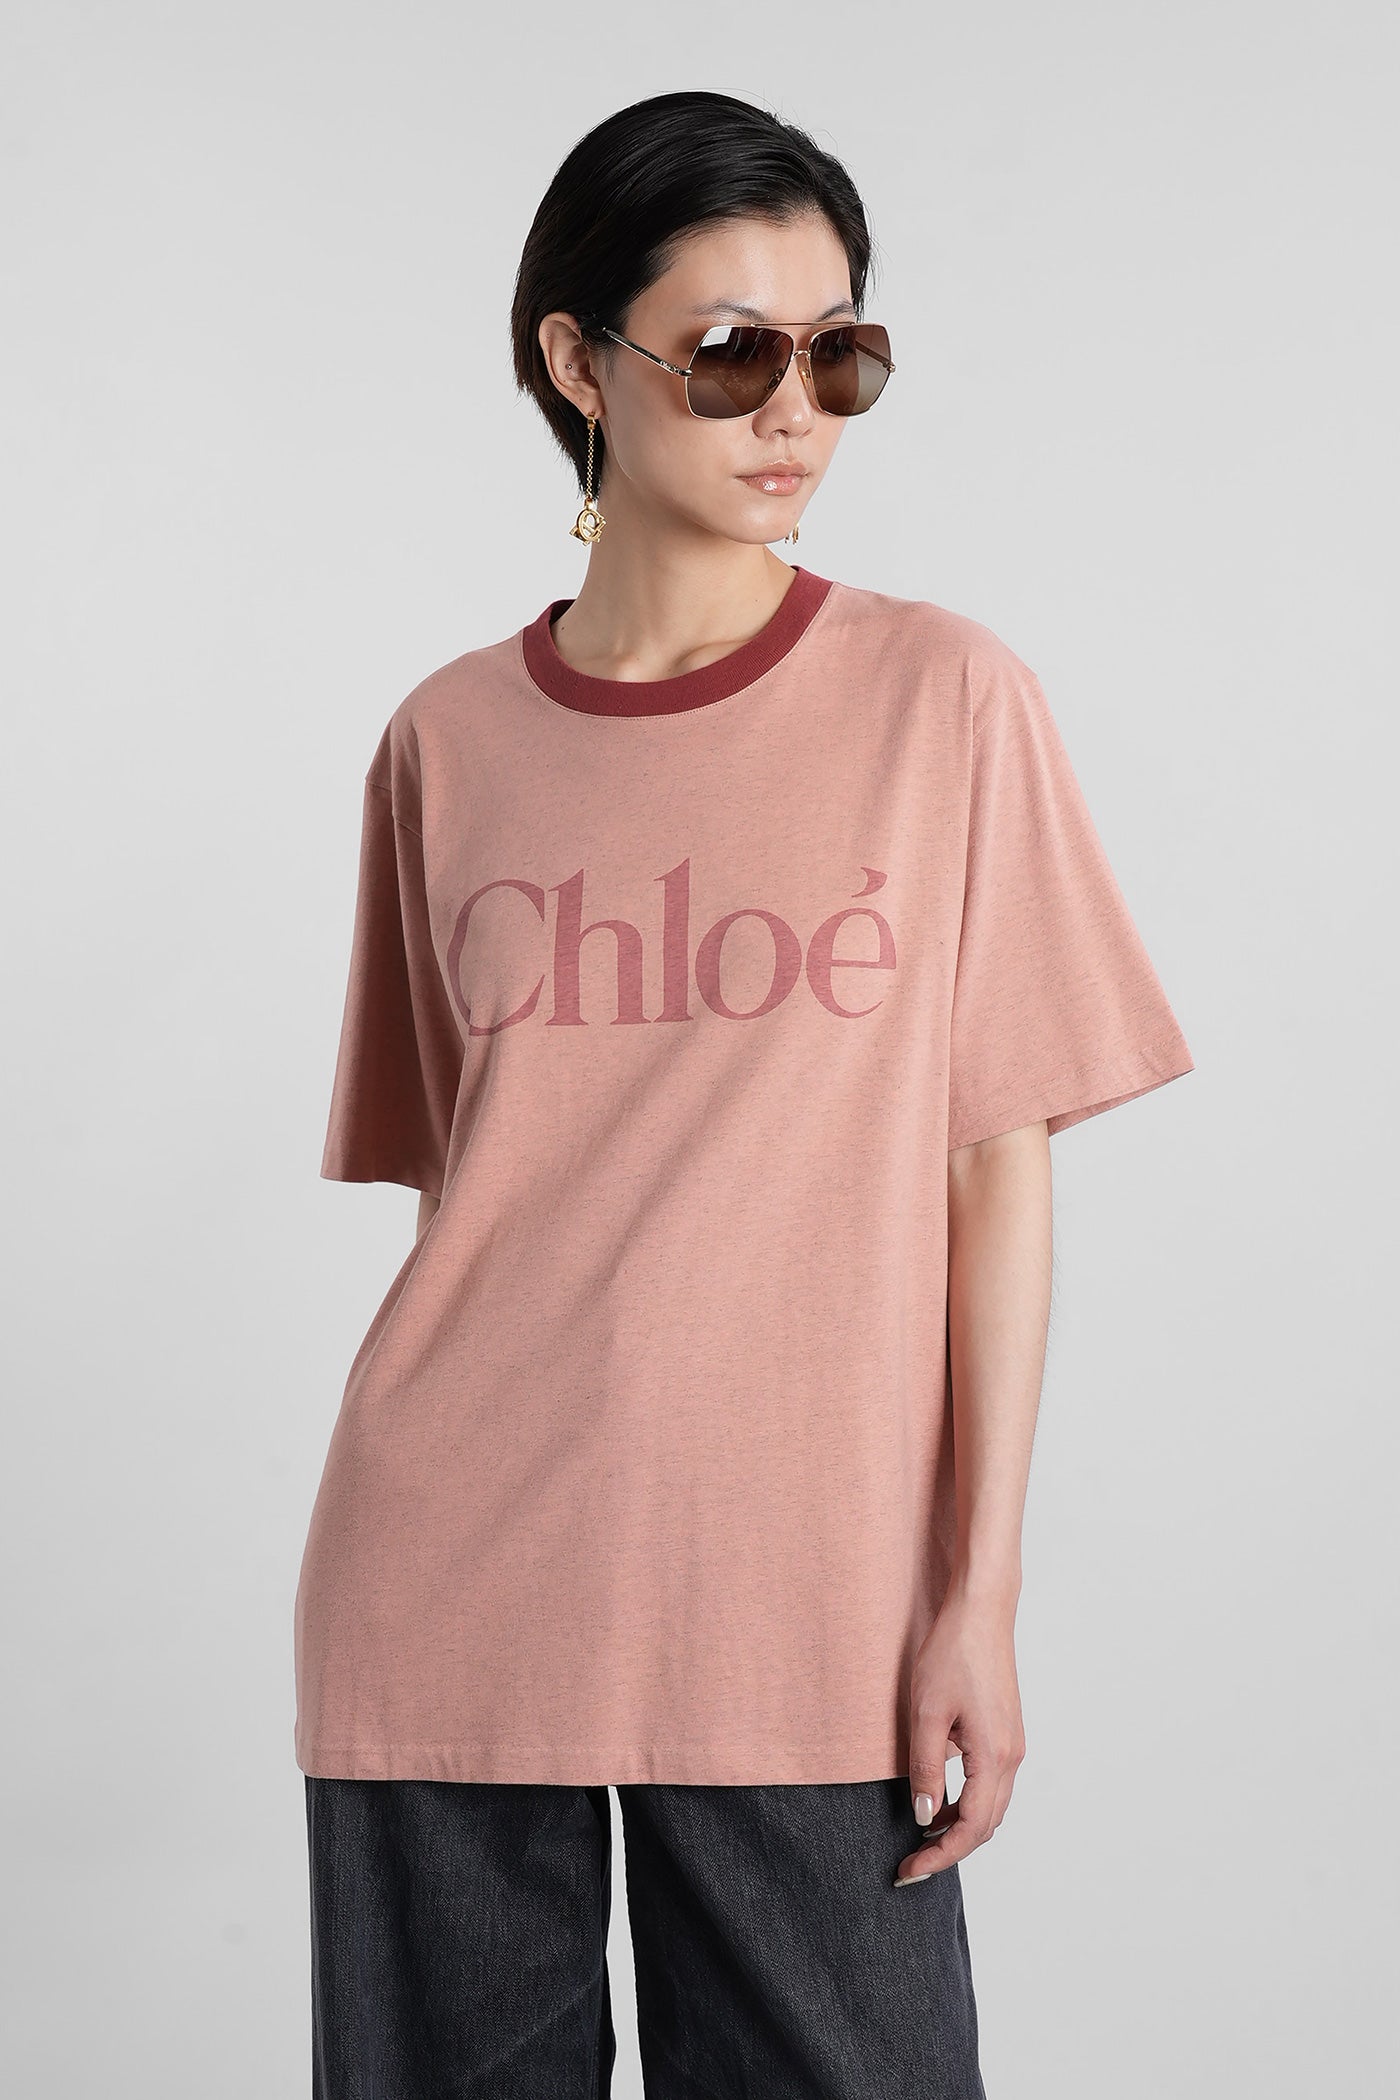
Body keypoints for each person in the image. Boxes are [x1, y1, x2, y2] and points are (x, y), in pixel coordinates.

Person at [293, 88, 1194, 2099]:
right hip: (449, 1577)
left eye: (837, 354)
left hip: (812, 1596)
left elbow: (994, 1167)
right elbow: (471, 1196)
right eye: (730, 354)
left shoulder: (946, 699)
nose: (796, 411)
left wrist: (976, 1593)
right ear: (576, 362)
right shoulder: (443, 743)